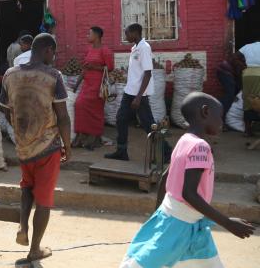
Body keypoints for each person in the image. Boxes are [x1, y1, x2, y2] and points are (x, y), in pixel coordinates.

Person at [120, 92, 255, 268]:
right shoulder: (201, 147)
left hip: (184, 222)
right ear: (205, 112)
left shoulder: (184, 140)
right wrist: (227, 223)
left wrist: (159, 215)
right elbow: (189, 193)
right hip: (180, 225)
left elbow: (165, 177)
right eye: (219, 117)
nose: (222, 123)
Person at [0, 33, 71, 263]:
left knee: (26, 188)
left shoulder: (10, 74)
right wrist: (68, 146)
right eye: (54, 52)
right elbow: (63, 117)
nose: (54, 57)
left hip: (23, 147)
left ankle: (22, 227)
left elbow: (5, 110)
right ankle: (35, 249)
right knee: (45, 200)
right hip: (48, 147)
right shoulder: (53, 76)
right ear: (48, 50)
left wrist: (20, 131)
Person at [105, 24, 156, 161]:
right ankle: (121, 151)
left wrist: (138, 97)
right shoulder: (135, 48)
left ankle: (165, 152)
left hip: (139, 94)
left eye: (127, 33)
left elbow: (147, 73)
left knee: (148, 124)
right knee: (121, 119)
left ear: (135, 33)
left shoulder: (144, 48)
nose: (125, 36)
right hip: (130, 91)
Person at [73, 27, 114, 150]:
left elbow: (110, 68)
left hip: (98, 85)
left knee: (96, 111)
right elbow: (85, 68)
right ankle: (80, 135)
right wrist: (76, 85)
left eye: (89, 33)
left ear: (96, 35)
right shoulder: (89, 50)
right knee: (78, 105)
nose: (87, 35)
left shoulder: (105, 51)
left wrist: (95, 67)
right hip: (87, 84)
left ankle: (97, 138)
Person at [216, 51, 246, 119]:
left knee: (231, 94)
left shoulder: (243, 57)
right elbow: (238, 76)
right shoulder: (240, 61)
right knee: (229, 95)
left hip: (225, 71)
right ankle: (220, 116)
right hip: (224, 72)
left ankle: (219, 109)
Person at [240, 40, 260, 136]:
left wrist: (243, 66)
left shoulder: (247, 46)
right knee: (258, 99)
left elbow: (234, 57)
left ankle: (248, 131)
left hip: (247, 74)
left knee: (248, 99)